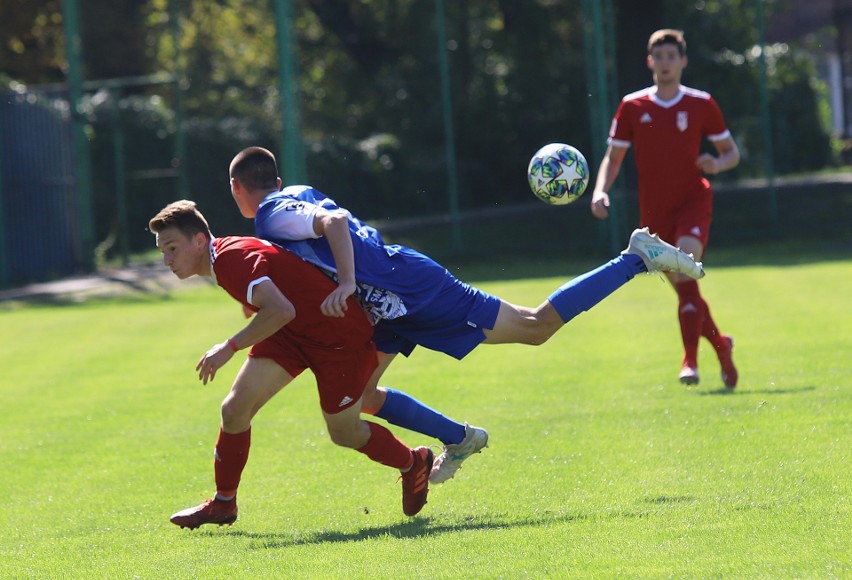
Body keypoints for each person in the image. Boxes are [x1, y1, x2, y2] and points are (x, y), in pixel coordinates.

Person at [226, 146, 706, 483]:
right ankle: (460, 439)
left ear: (236, 189)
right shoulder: (298, 191)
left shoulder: (269, 215)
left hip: (408, 288)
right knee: (364, 395)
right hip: (386, 307)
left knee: (535, 327)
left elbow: (333, 224)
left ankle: (636, 258)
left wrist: (349, 282)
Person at [148, 200, 434, 529]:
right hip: (293, 335)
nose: (167, 260)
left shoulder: (228, 258)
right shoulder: (223, 259)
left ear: (199, 240)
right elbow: (278, 291)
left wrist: (228, 347)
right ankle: (223, 503)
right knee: (234, 409)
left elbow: (281, 309)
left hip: (336, 339)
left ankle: (413, 463)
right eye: (162, 252)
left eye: (171, 248)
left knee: (344, 432)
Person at [590, 28, 740, 388]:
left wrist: (716, 165)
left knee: (687, 273)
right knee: (685, 290)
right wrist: (599, 191)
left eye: (672, 56)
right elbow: (614, 157)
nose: (666, 63)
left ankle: (690, 361)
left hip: (693, 201)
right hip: (654, 214)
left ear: (683, 61)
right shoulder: (633, 106)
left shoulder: (701, 103)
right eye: (660, 57)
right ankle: (721, 346)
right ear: (650, 62)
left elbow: (731, 153)